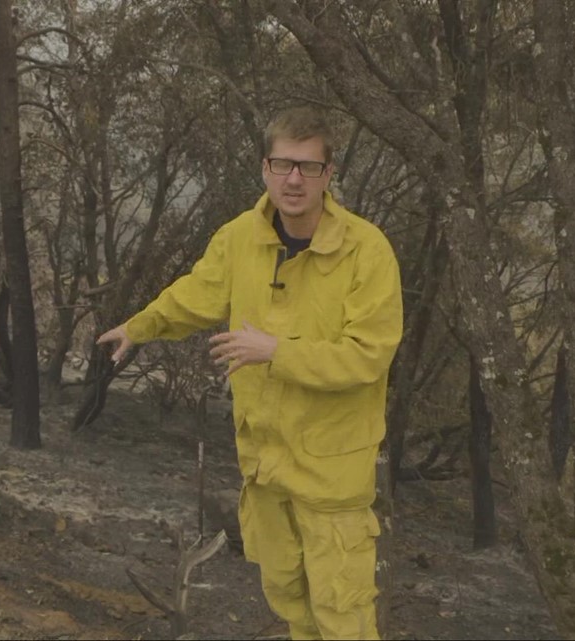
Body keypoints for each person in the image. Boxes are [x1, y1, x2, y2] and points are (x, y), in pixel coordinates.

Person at [97, 108, 402, 640]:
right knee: (289, 602)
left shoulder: (366, 250)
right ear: (264, 167)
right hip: (264, 468)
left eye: (308, 167)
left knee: (342, 617)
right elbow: (197, 294)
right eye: (283, 164)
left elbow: (368, 356)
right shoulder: (241, 236)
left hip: (331, 477)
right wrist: (140, 327)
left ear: (329, 175)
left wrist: (277, 351)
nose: (293, 179)